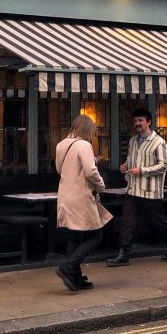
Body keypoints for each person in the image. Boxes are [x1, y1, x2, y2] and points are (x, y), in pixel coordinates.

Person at [106, 107, 167, 266]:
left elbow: (164, 165)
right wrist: (125, 166)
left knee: (158, 221)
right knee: (128, 221)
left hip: (149, 190)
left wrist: (143, 171)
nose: (137, 124)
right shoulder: (133, 141)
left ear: (149, 122)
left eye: (140, 120)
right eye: (135, 121)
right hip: (133, 188)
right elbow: (131, 159)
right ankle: (124, 254)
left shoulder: (158, 142)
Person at [54, 114, 113, 292]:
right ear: (88, 129)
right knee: (96, 236)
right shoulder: (84, 144)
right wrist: (101, 185)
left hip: (65, 195)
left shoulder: (61, 144)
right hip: (81, 196)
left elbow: (59, 169)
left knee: (75, 236)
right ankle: (68, 266)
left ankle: (75, 278)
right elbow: (90, 171)